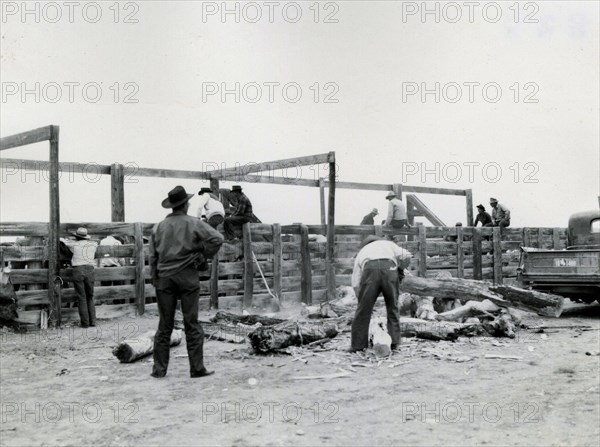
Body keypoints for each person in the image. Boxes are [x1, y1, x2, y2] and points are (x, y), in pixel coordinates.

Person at [149, 185, 224, 378]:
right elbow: (217, 239)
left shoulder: (158, 227)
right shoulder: (193, 223)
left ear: (172, 206)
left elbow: (153, 258)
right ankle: (197, 368)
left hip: (164, 278)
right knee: (192, 323)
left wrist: (156, 280)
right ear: (186, 204)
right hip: (187, 277)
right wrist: (202, 255)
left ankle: (159, 370)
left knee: (164, 325)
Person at [349, 235, 412, 352]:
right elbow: (406, 256)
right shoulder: (389, 244)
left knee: (363, 311)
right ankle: (395, 343)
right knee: (392, 307)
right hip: (389, 269)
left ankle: (357, 345)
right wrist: (400, 268)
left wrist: (361, 300)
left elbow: (356, 282)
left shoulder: (362, 251)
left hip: (369, 270)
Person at [61, 227, 98, 328]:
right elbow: (95, 244)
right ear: (86, 237)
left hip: (78, 270)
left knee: (82, 297)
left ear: (76, 236)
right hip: (90, 269)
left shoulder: (74, 244)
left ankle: (85, 323)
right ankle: (92, 321)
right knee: (90, 296)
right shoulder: (93, 244)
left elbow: (63, 241)